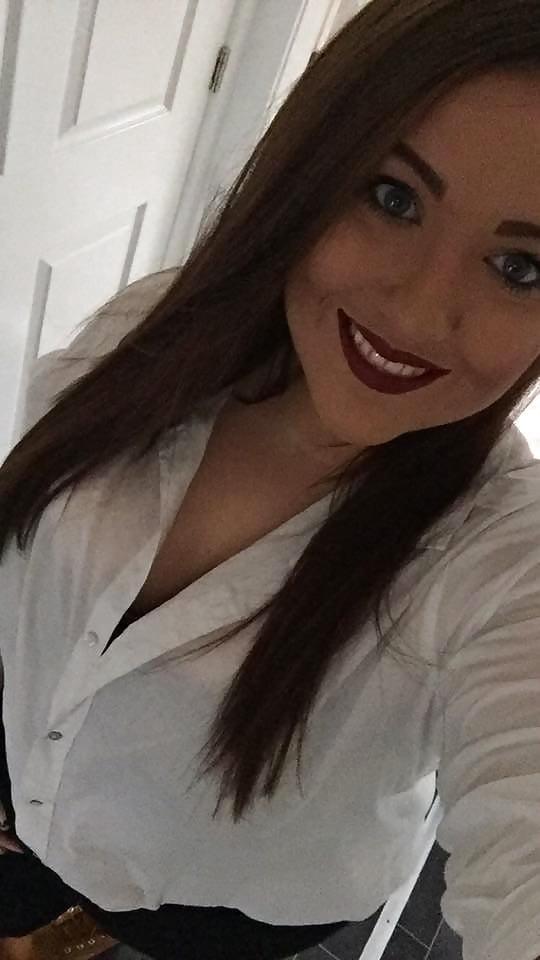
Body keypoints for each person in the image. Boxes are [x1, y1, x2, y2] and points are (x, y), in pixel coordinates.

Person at [1, 1, 540, 958]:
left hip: (218, 916)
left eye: (520, 268)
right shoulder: (151, 329)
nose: (421, 310)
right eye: (394, 198)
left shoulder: (502, 563)